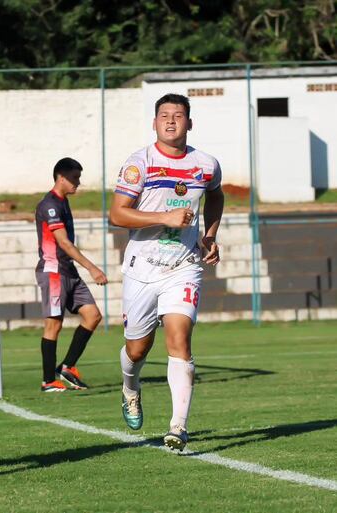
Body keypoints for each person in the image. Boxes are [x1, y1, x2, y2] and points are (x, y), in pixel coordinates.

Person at [109, 93, 224, 451]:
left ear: (190, 123)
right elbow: (117, 214)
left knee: (180, 338)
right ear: (155, 123)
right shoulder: (139, 163)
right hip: (142, 268)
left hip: (184, 267)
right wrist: (164, 217)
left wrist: (209, 235)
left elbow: (215, 194)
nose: (171, 121)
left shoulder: (206, 164)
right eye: (164, 116)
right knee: (138, 348)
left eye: (178, 116)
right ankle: (130, 388)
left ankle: (178, 428)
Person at [35, 157, 108, 393]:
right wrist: (92, 267)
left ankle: (67, 367)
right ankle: (48, 381)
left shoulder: (63, 202)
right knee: (53, 325)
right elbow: (64, 243)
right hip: (54, 272)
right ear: (61, 177)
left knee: (93, 316)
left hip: (69, 271)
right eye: (75, 177)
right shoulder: (50, 205)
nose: (78, 182)